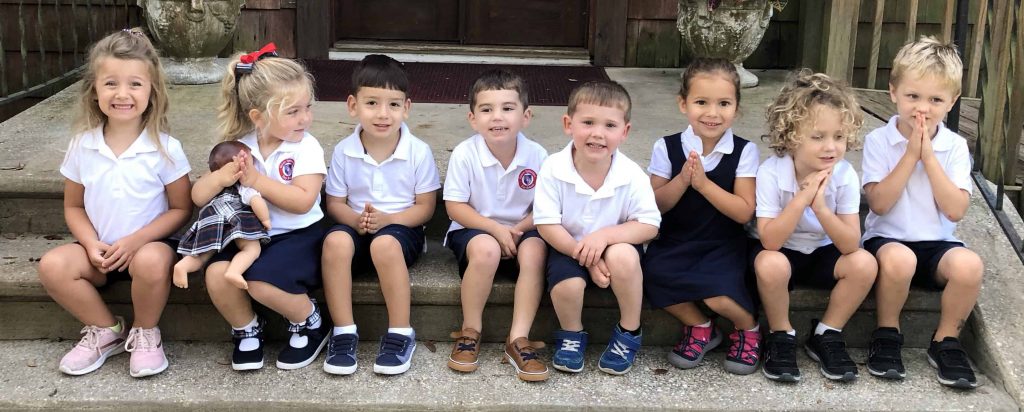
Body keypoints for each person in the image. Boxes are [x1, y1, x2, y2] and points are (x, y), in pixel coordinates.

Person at [37, 28, 192, 378]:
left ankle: (146, 332)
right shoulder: (82, 145)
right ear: (94, 90)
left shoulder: (166, 148)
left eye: (135, 84)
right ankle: (106, 330)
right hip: (99, 251)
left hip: (148, 248)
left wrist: (137, 241)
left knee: (152, 261)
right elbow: (74, 207)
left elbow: (181, 209)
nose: (122, 94)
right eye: (111, 84)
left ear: (152, 91)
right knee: (52, 266)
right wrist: (91, 244)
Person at [194, 43, 328, 371]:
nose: (305, 118)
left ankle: (310, 321)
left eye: (307, 108)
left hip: (300, 235)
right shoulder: (241, 145)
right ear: (258, 117)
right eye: (292, 111)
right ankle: (247, 328)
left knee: (259, 281)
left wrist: (255, 180)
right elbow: (198, 196)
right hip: (250, 237)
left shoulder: (306, 148)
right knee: (215, 274)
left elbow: (302, 201)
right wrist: (221, 177)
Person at [861, 36, 983, 389]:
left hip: (937, 243)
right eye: (913, 96)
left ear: (952, 102)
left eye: (935, 100)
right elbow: (880, 203)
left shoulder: (955, 147)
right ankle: (887, 332)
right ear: (893, 92)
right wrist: (909, 155)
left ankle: (946, 340)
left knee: (970, 266)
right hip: (888, 239)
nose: (922, 109)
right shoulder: (878, 141)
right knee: (901, 261)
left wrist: (928, 157)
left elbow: (956, 210)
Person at [751, 70, 877, 383]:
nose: (830, 147)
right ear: (791, 137)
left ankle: (826, 333)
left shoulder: (845, 175)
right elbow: (769, 240)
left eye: (838, 137)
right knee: (769, 263)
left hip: (824, 251)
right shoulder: (771, 172)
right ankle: (781, 334)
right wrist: (803, 197)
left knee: (864, 263)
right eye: (817, 137)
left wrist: (820, 206)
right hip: (784, 252)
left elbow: (850, 244)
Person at [321, 54, 440, 376]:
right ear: (352, 105)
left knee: (384, 245)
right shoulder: (345, 150)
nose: (383, 114)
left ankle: (401, 332)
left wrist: (388, 221)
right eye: (372, 103)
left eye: (393, 104)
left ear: (407, 108)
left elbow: (425, 208)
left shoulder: (418, 151)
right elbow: (334, 203)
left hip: (401, 228)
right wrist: (353, 220)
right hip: (358, 227)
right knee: (334, 242)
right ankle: (343, 331)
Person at [642, 58, 761, 375]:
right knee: (651, 276)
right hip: (676, 239)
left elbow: (744, 211)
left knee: (718, 293)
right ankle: (700, 326)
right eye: (701, 102)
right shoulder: (666, 147)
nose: (712, 113)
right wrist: (682, 180)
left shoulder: (743, 151)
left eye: (724, 103)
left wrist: (704, 185)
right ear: (683, 104)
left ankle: (748, 327)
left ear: (736, 107)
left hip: (722, 242)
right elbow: (655, 206)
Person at [534, 80, 661, 375]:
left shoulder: (631, 174)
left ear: (625, 132)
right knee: (568, 285)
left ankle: (629, 330)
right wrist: (588, 259)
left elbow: (649, 224)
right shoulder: (553, 167)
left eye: (609, 125)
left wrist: (605, 237)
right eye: (588, 122)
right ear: (569, 124)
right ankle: (572, 334)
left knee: (624, 257)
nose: (597, 134)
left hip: (615, 249)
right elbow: (547, 224)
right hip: (567, 246)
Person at [443, 69, 549, 381]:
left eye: (507, 108)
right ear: (472, 118)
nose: (497, 117)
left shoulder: (538, 155)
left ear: (526, 116)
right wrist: (496, 230)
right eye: (486, 109)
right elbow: (454, 207)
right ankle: (470, 330)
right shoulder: (465, 153)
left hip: (525, 228)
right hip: (475, 229)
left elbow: (546, 208)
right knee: (487, 249)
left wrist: (517, 230)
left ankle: (518, 339)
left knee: (535, 252)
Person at [173, 141, 271, 290]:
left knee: (203, 255)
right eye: (251, 159)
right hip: (237, 220)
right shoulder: (244, 186)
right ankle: (234, 271)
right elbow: (256, 201)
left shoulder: (216, 185)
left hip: (212, 221)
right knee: (251, 249)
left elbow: (200, 199)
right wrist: (266, 219)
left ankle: (183, 266)